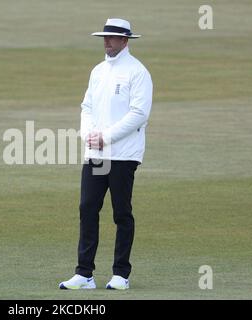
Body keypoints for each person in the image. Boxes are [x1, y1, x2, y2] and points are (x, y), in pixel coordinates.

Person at [59, 18, 153, 290]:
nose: (107, 41)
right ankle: (84, 273)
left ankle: (121, 274)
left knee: (121, 213)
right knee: (87, 207)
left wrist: (106, 136)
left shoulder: (137, 72)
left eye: (112, 37)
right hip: (96, 153)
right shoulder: (98, 71)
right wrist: (87, 134)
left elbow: (139, 114)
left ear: (125, 40)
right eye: (105, 37)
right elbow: (86, 106)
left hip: (123, 155)